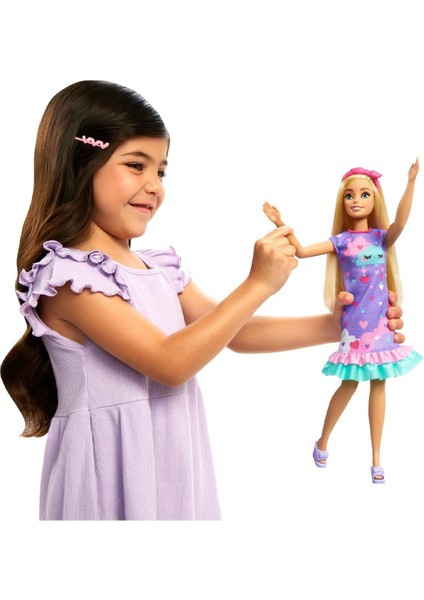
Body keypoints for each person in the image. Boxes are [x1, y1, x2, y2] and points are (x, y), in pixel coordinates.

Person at [1, 81, 405, 520]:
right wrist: (257, 284)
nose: (154, 186)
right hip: (109, 472)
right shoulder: (67, 278)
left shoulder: (158, 267)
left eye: (161, 171)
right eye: (135, 165)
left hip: (175, 461)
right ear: (80, 165)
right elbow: (170, 362)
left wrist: (341, 325)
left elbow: (236, 333)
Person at [263, 162, 421, 484]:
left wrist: (410, 182)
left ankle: (376, 459)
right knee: (349, 383)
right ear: (342, 202)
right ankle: (323, 440)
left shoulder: (380, 238)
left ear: (375, 199)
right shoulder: (342, 241)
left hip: (382, 325)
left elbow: (401, 222)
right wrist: (281, 223)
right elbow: (302, 251)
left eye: (364, 194)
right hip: (355, 326)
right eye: (349, 195)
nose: (356, 200)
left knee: (379, 383)